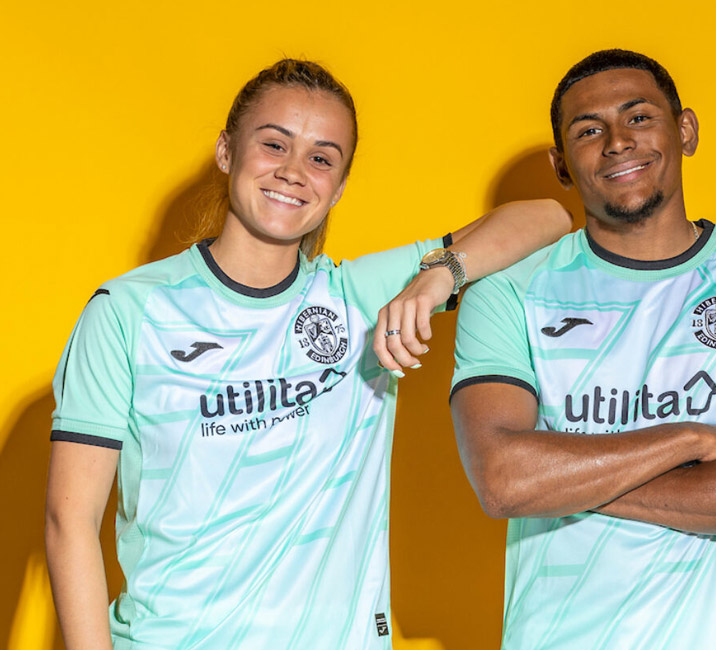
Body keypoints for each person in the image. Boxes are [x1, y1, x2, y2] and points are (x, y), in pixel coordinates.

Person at [45, 59, 571, 650]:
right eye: (274, 144)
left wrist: (438, 277)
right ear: (226, 151)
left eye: (322, 158)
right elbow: (70, 522)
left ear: (339, 187)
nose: (294, 172)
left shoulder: (358, 296)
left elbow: (548, 218)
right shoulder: (127, 311)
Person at [450, 49, 716, 649]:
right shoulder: (507, 293)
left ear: (686, 131)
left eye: (638, 117)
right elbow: (502, 480)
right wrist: (691, 439)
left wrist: (561, 480)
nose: (617, 142)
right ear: (561, 164)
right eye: (588, 130)